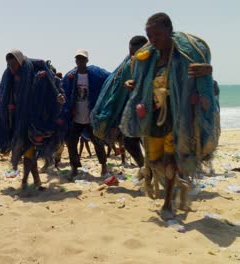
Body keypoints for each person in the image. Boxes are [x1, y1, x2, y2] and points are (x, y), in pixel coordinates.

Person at [121, 13, 219, 220]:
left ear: (169, 30)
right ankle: (179, 185)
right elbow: (141, 82)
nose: (153, 40)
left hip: (177, 119)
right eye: (150, 36)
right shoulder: (149, 60)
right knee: (154, 160)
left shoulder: (184, 56)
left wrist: (208, 70)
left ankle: (168, 203)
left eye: (157, 34)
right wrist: (133, 85)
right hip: (154, 118)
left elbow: (205, 84)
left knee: (169, 161)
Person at [0, 49, 65, 190]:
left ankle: (25, 181)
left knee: (29, 150)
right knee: (29, 151)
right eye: (9, 65)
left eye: (13, 64)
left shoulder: (34, 75)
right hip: (16, 121)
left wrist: (57, 98)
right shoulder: (8, 77)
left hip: (33, 120)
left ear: (20, 63)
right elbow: (1, 91)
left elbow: (49, 91)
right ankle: (37, 181)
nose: (11, 68)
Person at [92, 36, 148, 168]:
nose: (132, 56)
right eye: (131, 52)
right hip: (135, 115)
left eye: (136, 52)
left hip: (151, 113)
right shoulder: (128, 65)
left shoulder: (152, 65)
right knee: (130, 142)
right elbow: (118, 91)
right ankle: (146, 170)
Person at [62, 50, 110, 180]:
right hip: (76, 117)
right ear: (75, 60)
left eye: (82, 59)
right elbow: (63, 91)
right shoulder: (70, 76)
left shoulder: (95, 73)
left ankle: (104, 166)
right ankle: (75, 168)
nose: (80, 61)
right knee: (71, 142)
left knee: (97, 142)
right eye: (78, 59)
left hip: (91, 117)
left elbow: (109, 79)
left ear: (87, 60)